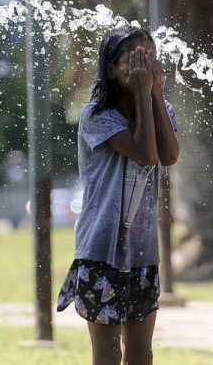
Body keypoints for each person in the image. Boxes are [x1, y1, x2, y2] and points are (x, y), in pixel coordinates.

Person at [56, 26, 179, 365]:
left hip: (142, 253)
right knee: (108, 355)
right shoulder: (96, 115)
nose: (143, 67)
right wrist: (144, 93)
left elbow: (168, 156)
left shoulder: (161, 110)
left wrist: (154, 96)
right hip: (100, 252)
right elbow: (144, 154)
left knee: (141, 354)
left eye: (149, 58)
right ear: (110, 69)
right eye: (133, 59)